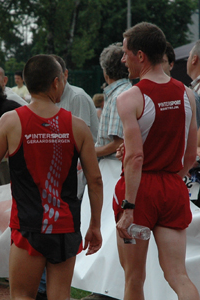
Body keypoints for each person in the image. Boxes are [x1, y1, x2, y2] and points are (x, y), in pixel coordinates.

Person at [0, 54, 103, 300]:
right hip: (65, 226)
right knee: (59, 297)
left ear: (27, 83)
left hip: (28, 226)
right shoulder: (77, 125)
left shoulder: (10, 121)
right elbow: (95, 180)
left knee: (22, 295)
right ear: (56, 83)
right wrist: (95, 225)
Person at [114, 22, 199, 300]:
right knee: (178, 275)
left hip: (140, 192)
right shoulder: (187, 94)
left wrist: (128, 206)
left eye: (125, 53)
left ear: (141, 55)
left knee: (134, 278)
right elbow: (190, 154)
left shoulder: (130, 97)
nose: (122, 59)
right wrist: (173, 178)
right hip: (173, 186)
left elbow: (136, 156)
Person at [80, 43, 132, 300]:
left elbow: (116, 143)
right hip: (116, 170)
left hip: (113, 171)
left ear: (105, 70)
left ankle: (108, 289)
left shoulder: (118, 95)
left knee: (111, 232)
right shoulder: (124, 91)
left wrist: (86, 153)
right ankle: (108, 287)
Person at [51, 55, 99, 142]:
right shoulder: (51, 97)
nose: (54, 84)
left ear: (65, 74)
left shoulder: (77, 97)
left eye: (56, 79)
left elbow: (82, 138)